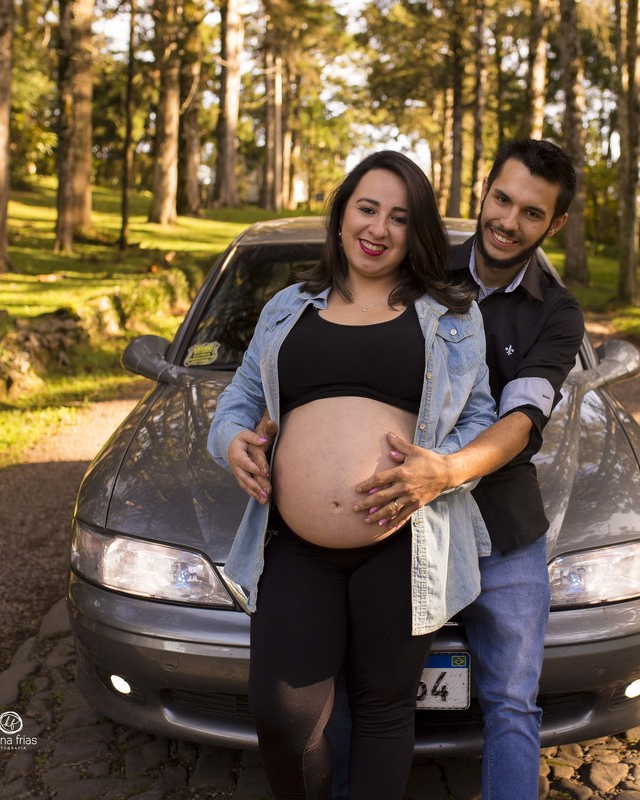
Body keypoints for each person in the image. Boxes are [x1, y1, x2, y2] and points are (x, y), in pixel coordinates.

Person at [206, 150, 497, 800]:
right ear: (341, 217)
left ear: (415, 231)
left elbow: (482, 418)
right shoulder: (288, 307)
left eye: (399, 217)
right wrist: (232, 444)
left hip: (406, 542)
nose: (379, 228)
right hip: (295, 545)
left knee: (385, 709)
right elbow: (237, 405)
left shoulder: (451, 317)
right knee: (283, 714)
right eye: (367, 208)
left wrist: (442, 472)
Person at [352, 139, 584, 800]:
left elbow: (520, 421)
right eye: (502, 199)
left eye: (532, 213)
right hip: (405, 518)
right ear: (483, 192)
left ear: (554, 225)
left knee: (512, 704)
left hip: (504, 528)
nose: (509, 221)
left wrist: (447, 471)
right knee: (372, 694)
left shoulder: (557, 314)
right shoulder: (416, 267)